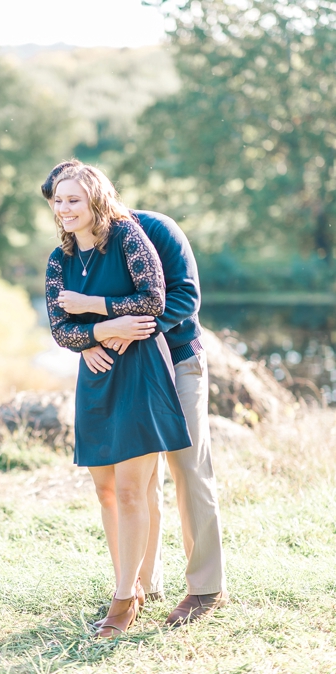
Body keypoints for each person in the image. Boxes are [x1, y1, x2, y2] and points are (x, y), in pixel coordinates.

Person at [43, 160, 228, 626]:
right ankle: (143, 584)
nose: (66, 209)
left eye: (76, 199)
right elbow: (68, 324)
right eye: (59, 201)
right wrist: (95, 338)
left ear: (100, 195)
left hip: (177, 358)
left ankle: (206, 589)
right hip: (117, 370)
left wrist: (132, 332)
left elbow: (183, 298)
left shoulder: (154, 231)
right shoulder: (70, 251)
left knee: (188, 469)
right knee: (139, 484)